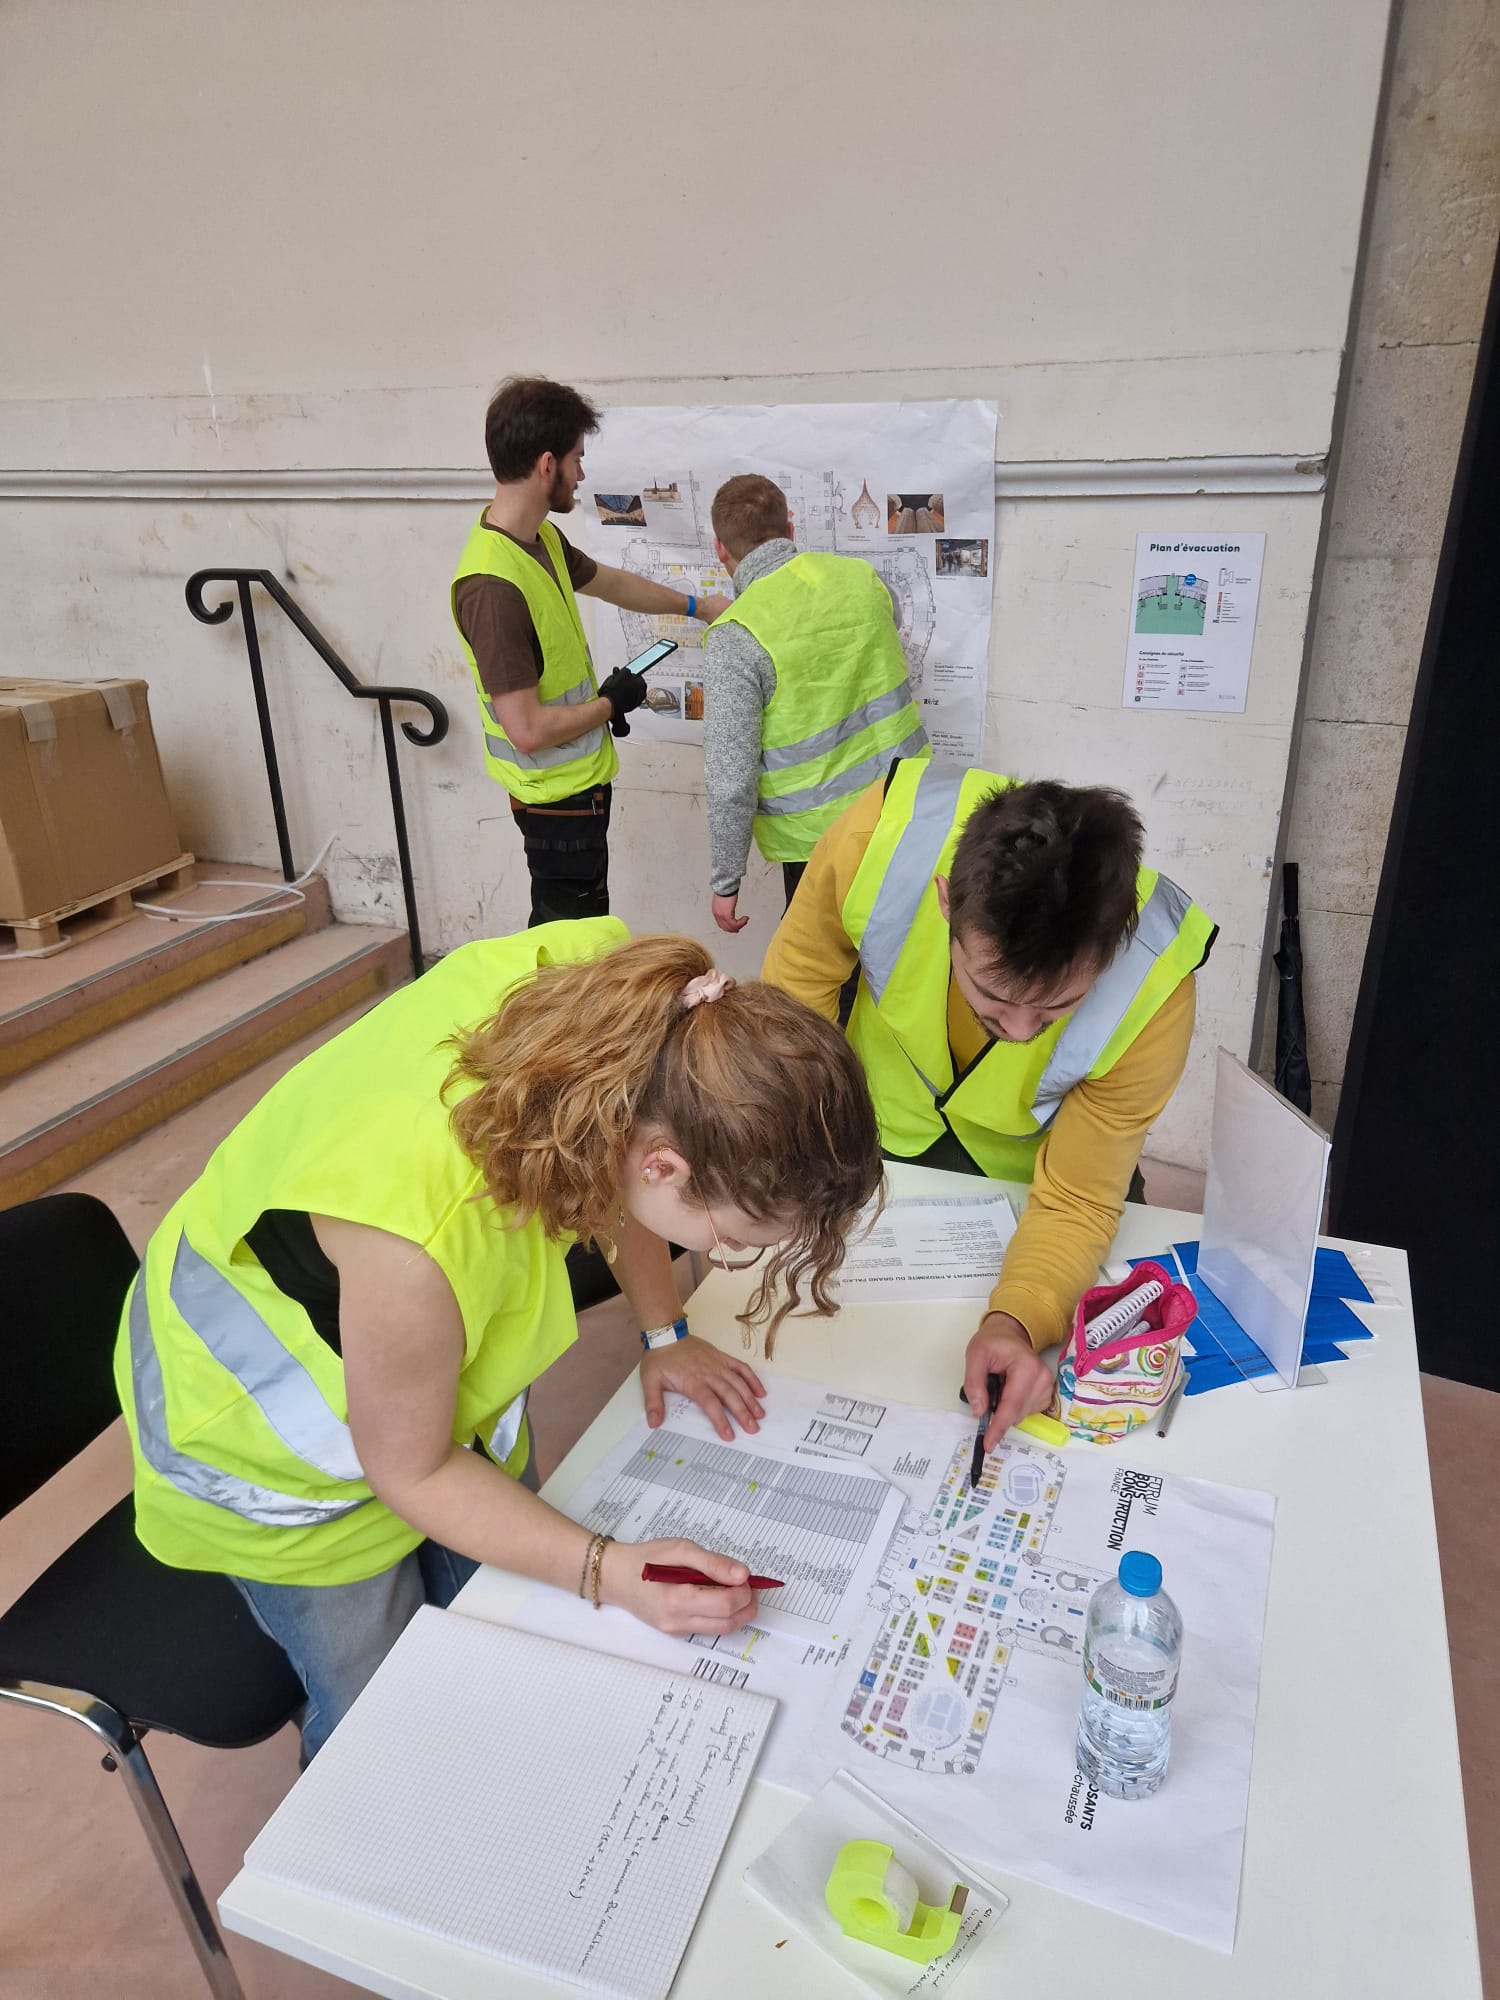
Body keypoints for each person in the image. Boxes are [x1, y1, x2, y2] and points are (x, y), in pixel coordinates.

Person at [113, 922, 880, 1758]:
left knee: (508, 1621)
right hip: (266, 1446)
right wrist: (608, 1569)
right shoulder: (420, 1241)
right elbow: (411, 1470)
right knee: (382, 1708)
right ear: (665, 1166)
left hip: (411, 1367)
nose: (726, 1256)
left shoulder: (638, 1009)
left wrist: (664, 1332)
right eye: (730, 1240)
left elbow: (620, 1174)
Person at [761, 758, 1215, 1453]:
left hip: (1038, 1165)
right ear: (947, 902)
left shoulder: (1156, 985)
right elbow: (789, 1016)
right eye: (995, 995)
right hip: (882, 1127)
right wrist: (795, 1153)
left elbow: (1078, 1200)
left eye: (1058, 1007)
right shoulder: (876, 844)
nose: (1022, 1030)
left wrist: (1015, 1321)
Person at [452, 378, 731, 927]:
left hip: (579, 789)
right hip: (552, 802)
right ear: (547, 465)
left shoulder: (540, 541)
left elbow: (611, 583)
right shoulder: (492, 588)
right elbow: (525, 730)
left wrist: (698, 606)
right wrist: (609, 704)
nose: (581, 475)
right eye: (577, 459)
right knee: (568, 944)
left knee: (582, 931)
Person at [701, 474, 928, 935]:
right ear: (789, 528)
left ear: (720, 549)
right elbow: (887, 625)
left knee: (825, 970)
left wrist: (727, 879)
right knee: (903, 950)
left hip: (820, 845)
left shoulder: (736, 636)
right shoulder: (861, 578)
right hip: (906, 806)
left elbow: (731, 776)